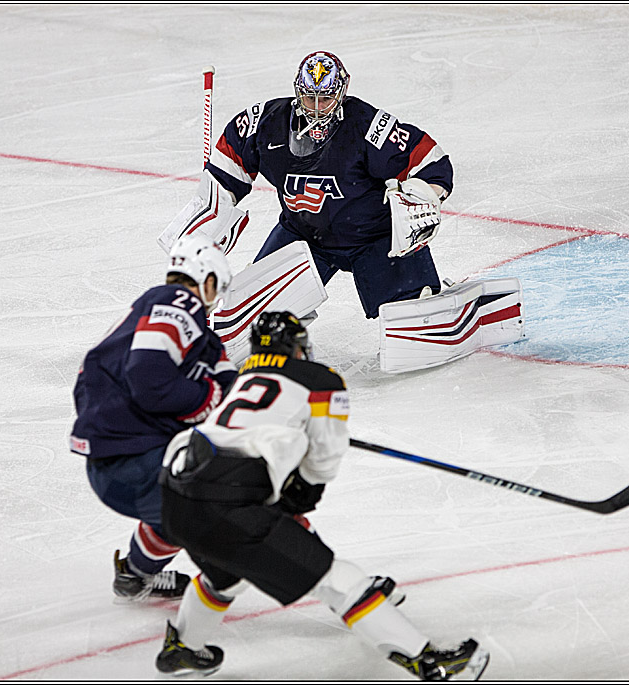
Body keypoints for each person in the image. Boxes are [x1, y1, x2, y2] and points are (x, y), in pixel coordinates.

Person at [153, 311, 490, 680]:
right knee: (339, 580)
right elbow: (322, 464)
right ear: (296, 349)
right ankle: (429, 662)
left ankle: (182, 650)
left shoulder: (244, 378)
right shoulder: (320, 381)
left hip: (176, 496)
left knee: (227, 575)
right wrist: (298, 499)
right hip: (227, 503)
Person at [170, 50, 455, 322]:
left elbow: (430, 160)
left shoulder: (367, 126)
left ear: (341, 93)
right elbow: (228, 162)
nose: (317, 107)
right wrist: (209, 216)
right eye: (309, 97)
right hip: (303, 235)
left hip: (374, 238)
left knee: (410, 314)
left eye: (326, 98)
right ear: (298, 92)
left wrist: (423, 196)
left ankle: (415, 299)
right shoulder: (266, 122)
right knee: (255, 316)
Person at [68, 234, 237, 601]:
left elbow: (227, 385)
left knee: (180, 511)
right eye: (216, 291)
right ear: (206, 280)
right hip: (133, 459)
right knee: (218, 505)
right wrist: (208, 400)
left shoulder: (169, 322)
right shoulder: (177, 302)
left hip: (114, 464)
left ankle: (135, 575)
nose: (212, 305)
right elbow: (150, 381)